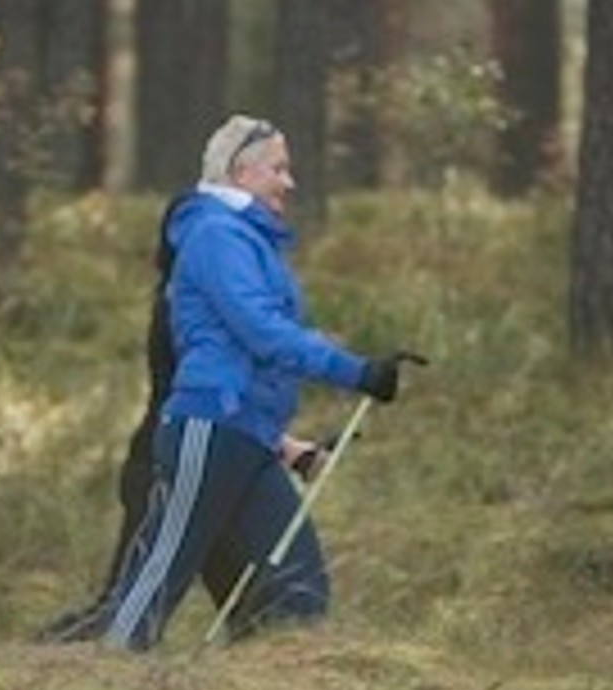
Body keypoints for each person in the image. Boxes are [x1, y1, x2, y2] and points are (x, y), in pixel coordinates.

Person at [99, 114, 410, 651]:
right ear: (241, 173)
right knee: (158, 576)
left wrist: (287, 446)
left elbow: (267, 345)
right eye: (279, 169)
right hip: (209, 425)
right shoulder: (216, 235)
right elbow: (264, 332)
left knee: (299, 584)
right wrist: (357, 372)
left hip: (247, 435)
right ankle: (102, 683)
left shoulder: (247, 241)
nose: (289, 182)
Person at [38, 192, 336, 645]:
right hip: (169, 471)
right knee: (124, 614)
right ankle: (44, 676)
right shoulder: (191, 312)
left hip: (221, 476)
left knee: (259, 620)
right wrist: (292, 450)